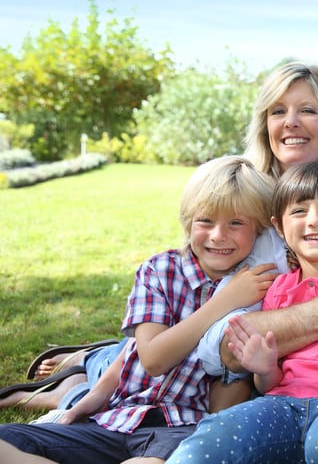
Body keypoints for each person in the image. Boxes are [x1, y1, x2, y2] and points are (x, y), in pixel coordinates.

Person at [6, 61, 318, 413]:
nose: (291, 121)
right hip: (206, 351)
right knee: (151, 374)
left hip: (255, 362)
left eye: (307, 110)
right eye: (278, 111)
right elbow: (185, 300)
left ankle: (89, 362)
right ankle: (85, 367)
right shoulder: (245, 187)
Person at [0, 155, 277, 463]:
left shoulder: (258, 286)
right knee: (7, 440)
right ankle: (71, 382)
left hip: (178, 429)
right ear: (188, 221)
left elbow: (229, 389)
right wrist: (225, 301)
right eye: (205, 221)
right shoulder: (160, 270)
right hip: (117, 418)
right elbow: (153, 358)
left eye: (236, 223)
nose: (218, 235)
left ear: (259, 229)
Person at [168, 161, 318, 463]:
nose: (314, 221)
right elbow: (270, 381)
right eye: (300, 211)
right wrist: (263, 368)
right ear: (279, 226)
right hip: (284, 404)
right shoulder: (279, 288)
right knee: (218, 432)